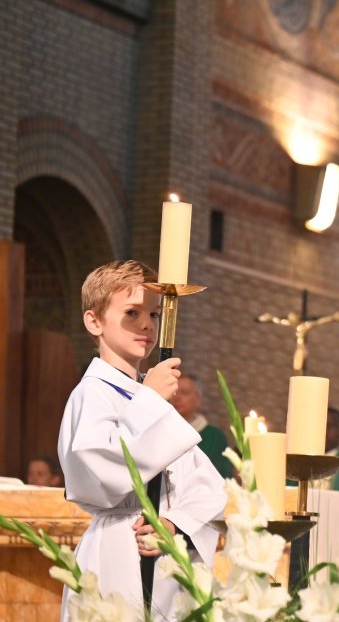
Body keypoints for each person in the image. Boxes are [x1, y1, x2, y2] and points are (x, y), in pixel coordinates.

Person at [57, 260, 225, 621]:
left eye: (154, 313)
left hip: (167, 557)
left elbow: (206, 484)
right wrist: (149, 400)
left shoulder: (147, 393)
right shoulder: (92, 394)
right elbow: (99, 470)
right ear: (94, 322)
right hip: (118, 550)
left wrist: (174, 522)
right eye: (132, 312)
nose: (147, 324)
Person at [169, 372, 234, 478]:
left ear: (198, 399)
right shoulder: (162, 430)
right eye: (174, 392)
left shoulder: (215, 436)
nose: (177, 397)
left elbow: (222, 478)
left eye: (184, 392)